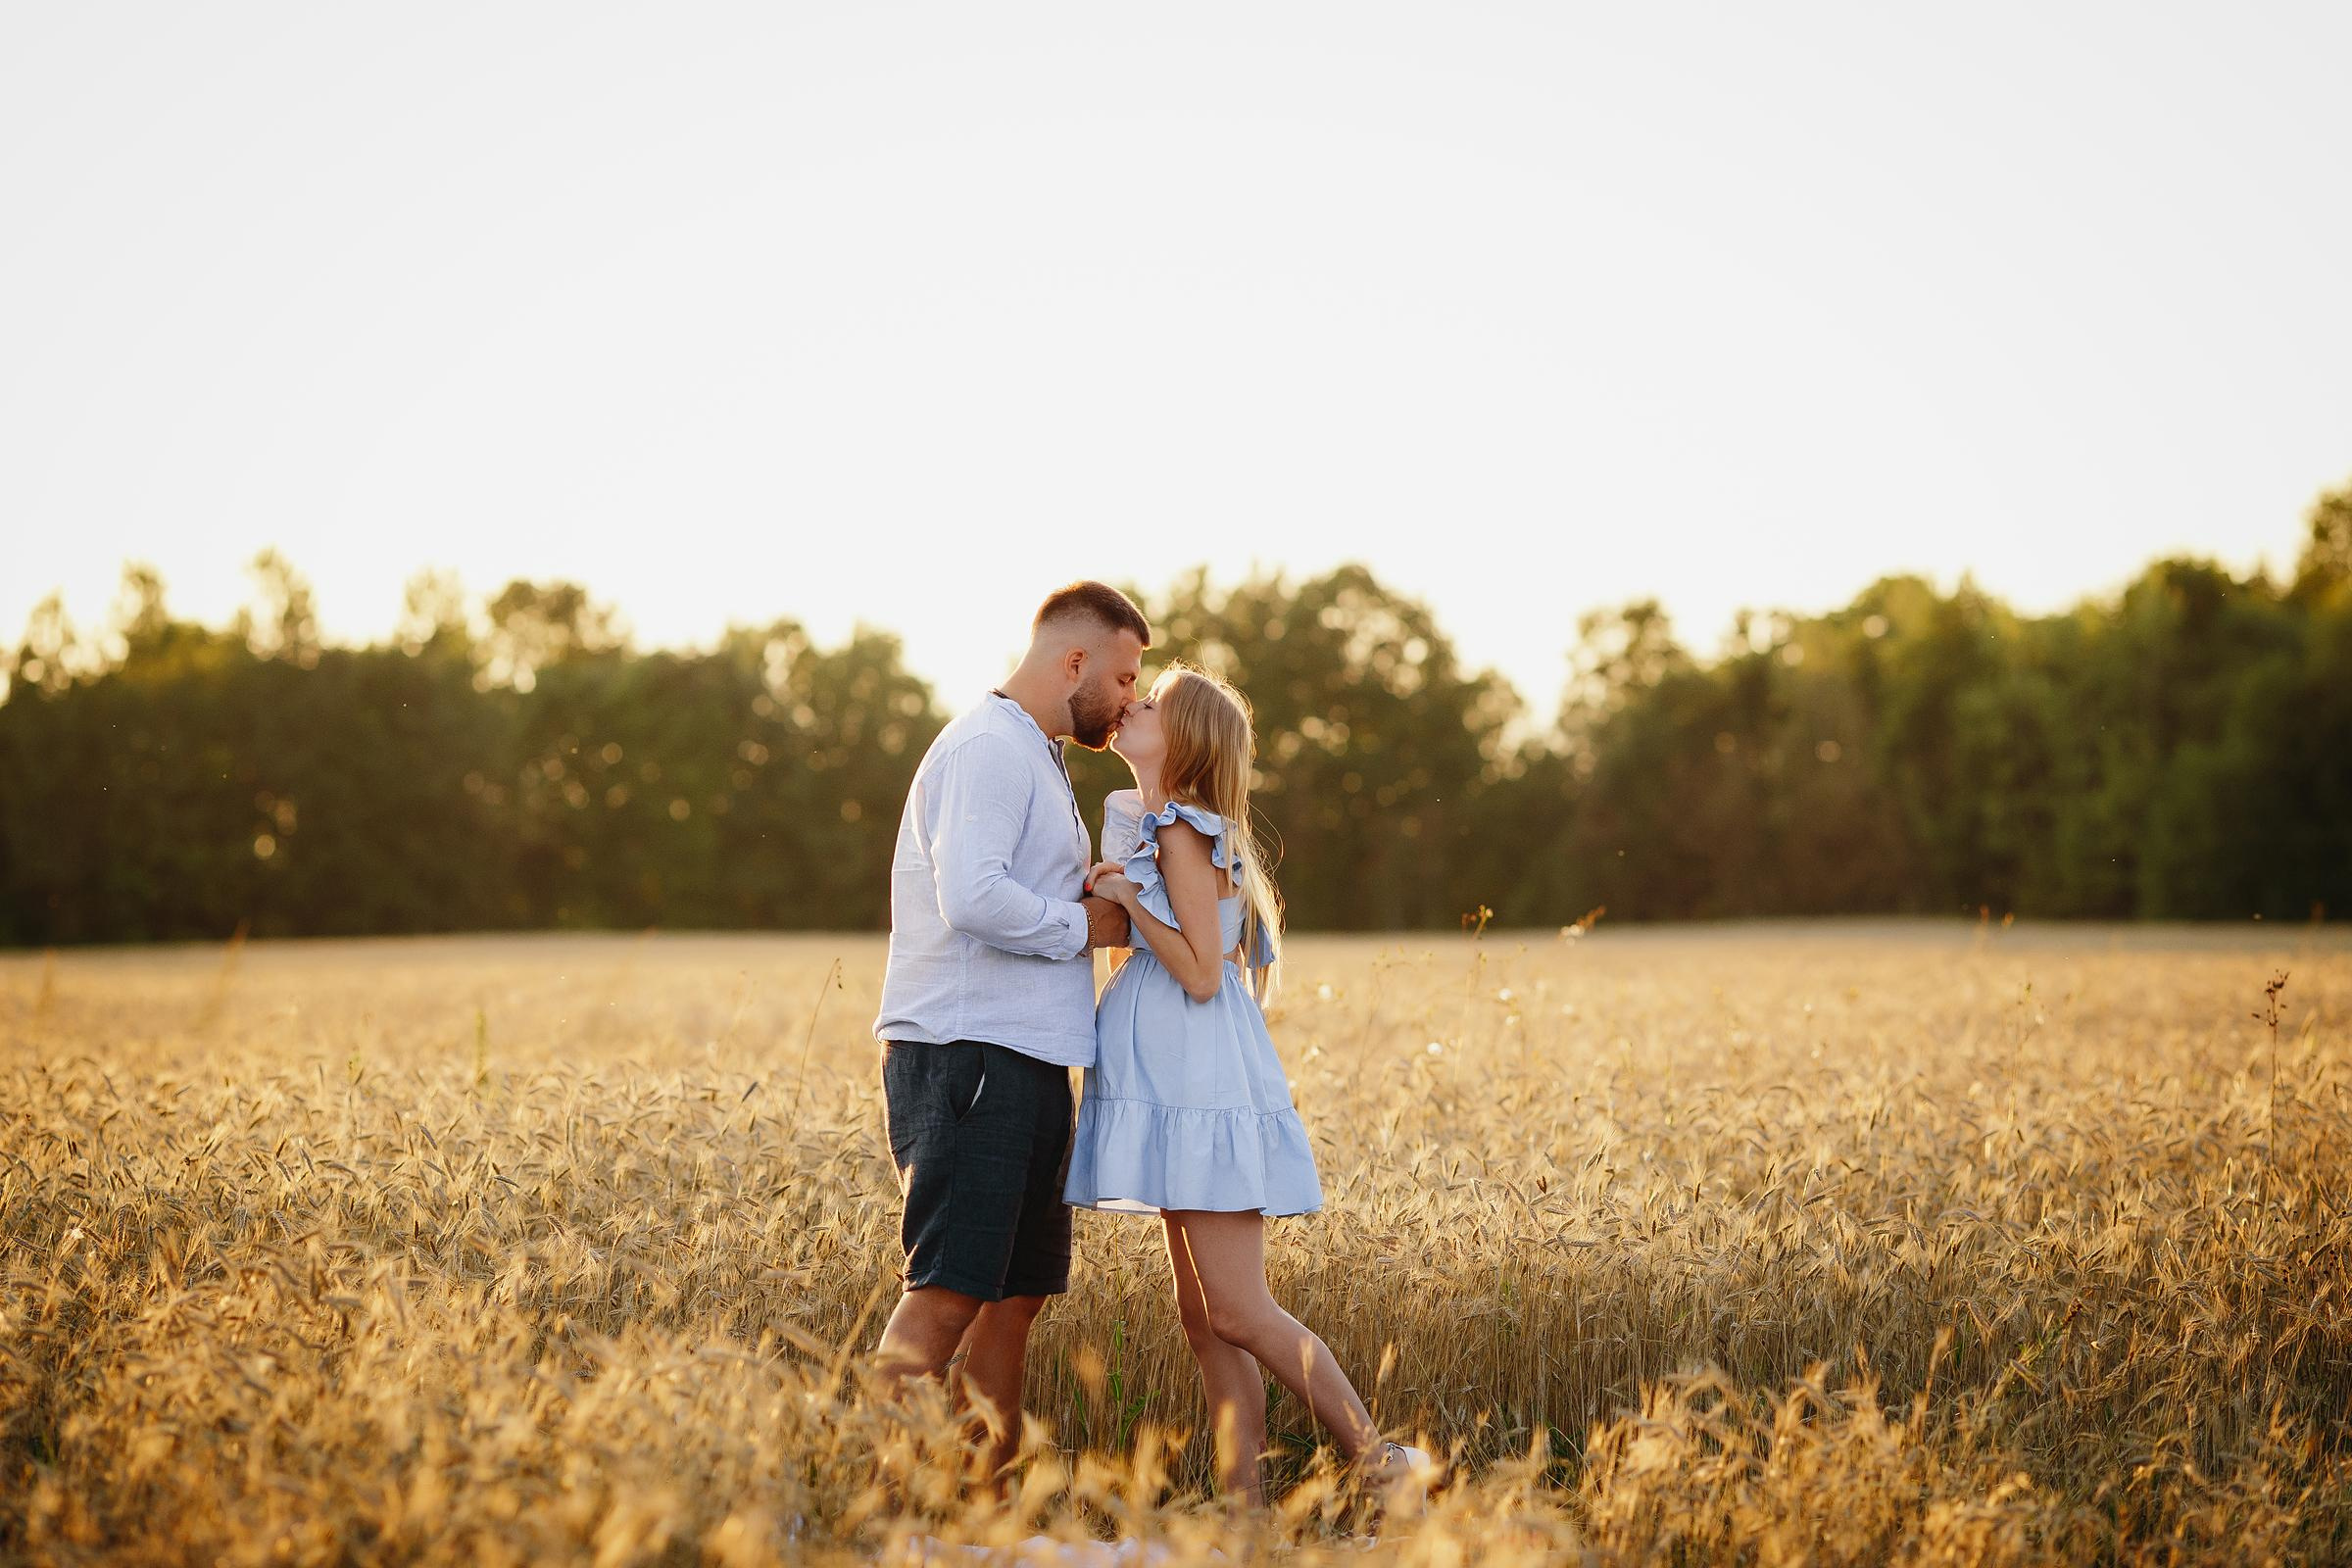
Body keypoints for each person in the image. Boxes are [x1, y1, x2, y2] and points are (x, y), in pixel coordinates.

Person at [1062, 663, 1435, 1507]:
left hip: (1198, 1086)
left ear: (1187, 737)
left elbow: (1197, 973)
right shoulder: (1164, 824)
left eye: (1150, 703)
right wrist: (1126, 867)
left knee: (1238, 1310)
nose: (1131, 705)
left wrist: (1128, 896)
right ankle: (1246, 1518)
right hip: (1171, 1084)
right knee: (1205, 1323)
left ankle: (1383, 1465)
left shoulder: (1188, 833)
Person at [869, 581, 1148, 1483]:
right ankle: (871, 1506)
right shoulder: (989, 747)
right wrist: (1090, 927)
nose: (1130, 698)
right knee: (948, 1291)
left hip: (1029, 1058)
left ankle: (981, 1509)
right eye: (1123, 674)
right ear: (1074, 662)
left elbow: (1016, 884)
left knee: (1016, 1296)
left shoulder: (1038, 754)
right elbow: (974, 896)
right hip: (966, 1053)